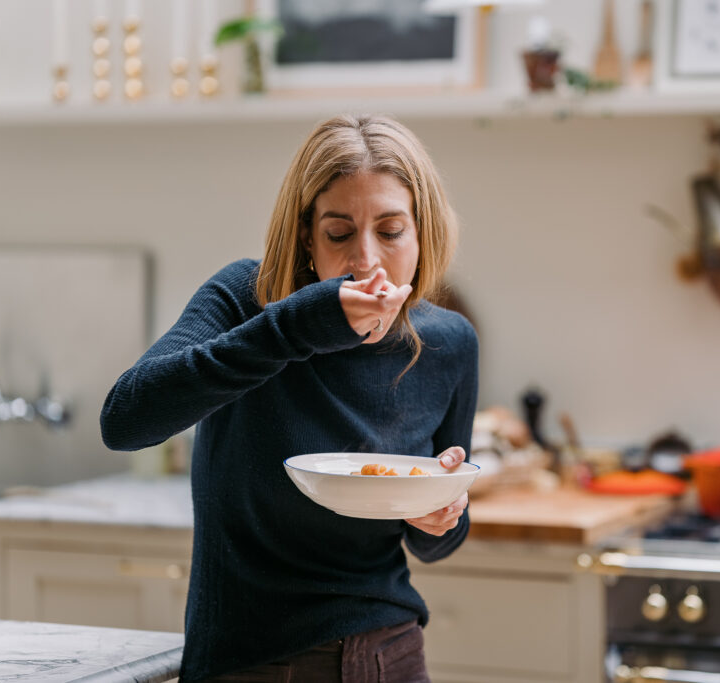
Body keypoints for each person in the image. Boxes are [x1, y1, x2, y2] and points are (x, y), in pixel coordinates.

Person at [100, 113, 479, 682]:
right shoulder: (245, 301)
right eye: (339, 232)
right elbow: (124, 419)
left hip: (390, 652)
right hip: (253, 660)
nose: (366, 260)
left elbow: (436, 545)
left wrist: (443, 513)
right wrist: (300, 326)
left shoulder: (449, 343)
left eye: (391, 230)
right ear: (306, 235)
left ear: (423, 233)